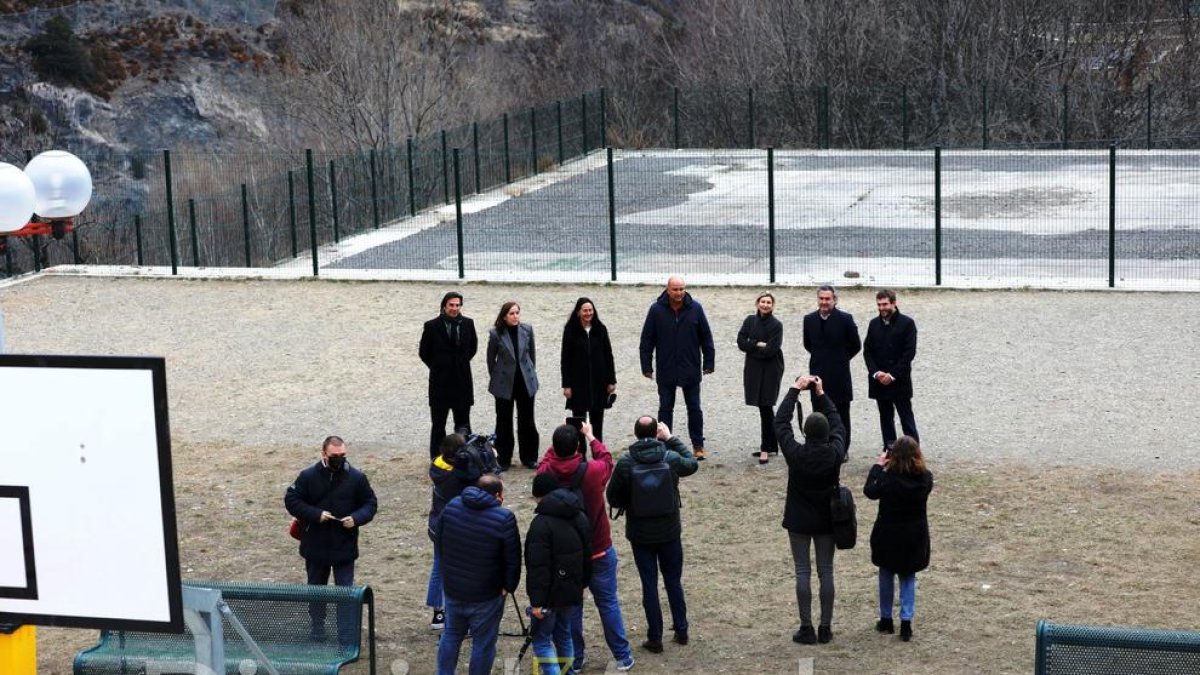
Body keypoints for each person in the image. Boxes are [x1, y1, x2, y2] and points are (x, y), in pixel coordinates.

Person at [537, 422, 635, 672]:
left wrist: (557, 446)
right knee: (608, 603)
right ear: (578, 447)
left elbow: (545, 461)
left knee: (572, 610)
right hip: (599, 547)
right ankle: (622, 656)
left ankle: (576, 659)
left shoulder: (547, 474)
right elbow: (606, 459)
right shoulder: (592, 472)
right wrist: (590, 436)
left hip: (565, 557)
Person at [606, 416, 699, 654]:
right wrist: (671, 438)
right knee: (673, 581)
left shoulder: (627, 462)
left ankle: (655, 637)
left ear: (635, 434)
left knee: (649, 584)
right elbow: (692, 463)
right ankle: (681, 629)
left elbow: (613, 497)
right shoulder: (669, 457)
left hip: (640, 532)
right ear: (656, 433)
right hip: (669, 530)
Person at [773, 376, 847, 645]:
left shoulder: (796, 454)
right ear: (827, 433)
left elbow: (780, 423)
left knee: (802, 571)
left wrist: (794, 390)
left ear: (805, 432)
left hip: (799, 519)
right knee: (826, 571)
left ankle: (806, 627)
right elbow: (838, 421)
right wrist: (822, 393)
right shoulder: (835, 452)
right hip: (828, 518)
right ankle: (825, 627)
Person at [284, 436, 378, 641]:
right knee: (316, 594)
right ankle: (317, 630)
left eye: (343, 456)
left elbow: (370, 504)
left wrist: (356, 518)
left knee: (345, 596)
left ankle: (345, 637)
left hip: (344, 546)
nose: (340, 459)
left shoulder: (357, 477)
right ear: (323, 454)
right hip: (316, 546)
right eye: (335, 456)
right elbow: (292, 500)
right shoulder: (307, 476)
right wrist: (315, 514)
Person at [435, 474, 521, 675]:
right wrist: (509, 586)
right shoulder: (504, 518)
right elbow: (513, 558)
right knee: (483, 642)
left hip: (454, 589)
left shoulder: (453, 505)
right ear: (498, 495)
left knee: (451, 635)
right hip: (486, 595)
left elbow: (439, 542)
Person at [864, 435, 933, 642]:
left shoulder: (887, 479)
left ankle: (886, 618)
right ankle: (906, 622)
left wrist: (878, 466)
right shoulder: (925, 479)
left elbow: (869, 491)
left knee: (886, 574)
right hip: (913, 536)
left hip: (888, 534)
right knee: (908, 577)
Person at [639, 276, 715, 460]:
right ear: (667, 289)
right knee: (665, 408)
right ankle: (664, 444)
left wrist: (709, 362)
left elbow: (706, 337)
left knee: (694, 407)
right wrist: (646, 366)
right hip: (666, 369)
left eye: (682, 289)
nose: (679, 293)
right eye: (675, 289)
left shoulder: (695, 308)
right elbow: (647, 340)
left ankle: (698, 445)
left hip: (690, 368)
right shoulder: (656, 310)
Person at [525, 473, 593, 675]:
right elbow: (587, 554)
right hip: (571, 588)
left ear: (540, 496)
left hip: (548, 596)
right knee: (563, 634)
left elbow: (537, 567)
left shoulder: (540, 524)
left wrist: (537, 602)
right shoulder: (579, 514)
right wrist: (582, 583)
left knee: (542, 640)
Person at [420, 291, 478, 460]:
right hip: (440, 382)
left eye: (457, 305)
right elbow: (424, 352)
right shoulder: (432, 326)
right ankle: (437, 457)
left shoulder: (468, 324)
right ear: (444, 306)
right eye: (451, 305)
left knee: (463, 423)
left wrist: (459, 363)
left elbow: (472, 348)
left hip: (462, 380)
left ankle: (464, 456)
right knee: (438, 424)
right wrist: (439, 366)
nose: (454, 308)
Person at [802, 285, 861, 451]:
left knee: (841, 414)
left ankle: (842, 449)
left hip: (839, 375)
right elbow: (808, 344)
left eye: (827, 299)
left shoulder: (846, 319)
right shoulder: (809, 319)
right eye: (821, 298)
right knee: (819, 413)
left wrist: (840, 359)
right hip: (817, 374)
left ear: (834, 300)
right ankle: (821, 445)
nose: (824, 302)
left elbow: (856, 345)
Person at [863, 288, 919, 451]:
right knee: (885, 418)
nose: (882, 308)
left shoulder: (907, 324)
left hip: (899, 380)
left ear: (894, 303)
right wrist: (876, 373)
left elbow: (909, 353)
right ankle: (889, 451)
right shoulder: (873, 324)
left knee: (906, 418)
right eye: (879, 304)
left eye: (885, 304)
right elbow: (867, 351)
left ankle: (913, 452)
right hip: (879, 381)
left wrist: (893, 374)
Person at [487, 301, 541, 469]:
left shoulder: (527, 330)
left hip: (525, 382)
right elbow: (490, 360)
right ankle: (503, 458)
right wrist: (498, 377)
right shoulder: (496, 334)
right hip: (504, 383)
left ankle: (529, 457)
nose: (515, 316)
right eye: (511, 313)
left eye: (517, 312)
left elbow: (531, 355)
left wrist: (530, 373)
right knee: (503, 422)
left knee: (527, 421)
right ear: (504, 316)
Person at [425, 432, 470, 632]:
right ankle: (459, 612)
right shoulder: (460, 475)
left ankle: (438, 612)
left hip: (438, 526)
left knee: (439, 567)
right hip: (457, 527)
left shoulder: (437, 466)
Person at [737, 291, 785, 465]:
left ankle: (766, 447)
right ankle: (772, 445)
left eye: (769, 302)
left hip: (771, 369)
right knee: (762, 408)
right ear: (757, 303)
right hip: (754, 368)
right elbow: (741, 342)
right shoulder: (750, 320)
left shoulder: (776, 325)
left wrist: (752, 344)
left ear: (772, 306)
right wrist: (757, 343)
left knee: (766, 406)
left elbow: (772, 349)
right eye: (763, 302)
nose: (765, 305)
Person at [560, 297, 617, 442]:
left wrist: (611, 380)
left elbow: (608, 355)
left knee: (597, 420)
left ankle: (598, 450)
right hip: (578, 382)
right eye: (585, 310)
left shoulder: (600, 329)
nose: (588, 313)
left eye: (590, 310)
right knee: (579, 420)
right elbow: (565, 359)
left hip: (599, 381)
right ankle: (580, 454)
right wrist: (566, 385)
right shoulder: (570, 330)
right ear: (578, 312)